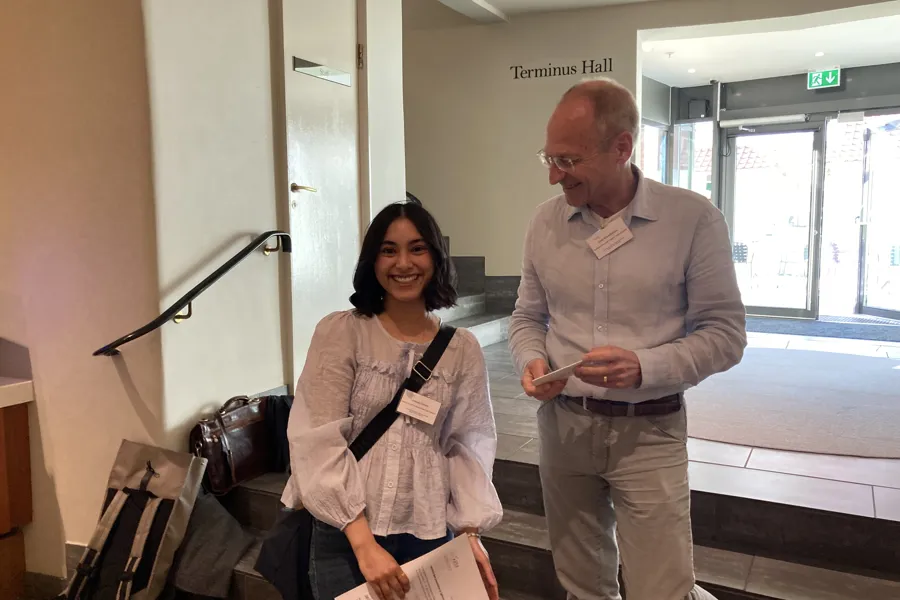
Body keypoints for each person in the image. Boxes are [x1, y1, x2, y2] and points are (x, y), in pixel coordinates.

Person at [508, 78, 747, 600]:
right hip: (563, 429)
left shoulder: (692, 220)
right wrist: (531, 359)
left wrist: (644, 366)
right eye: (548, 158)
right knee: (581, 586)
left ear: (622, 147)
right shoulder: (543, 224)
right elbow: (527, 316)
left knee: (661, 590)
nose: (553, 176)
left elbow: (726, 336)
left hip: (650, 431)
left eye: (567, 161)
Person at [282, 199, 502, 600]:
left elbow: (468, 443)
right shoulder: (342, 333)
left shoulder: (462, 348)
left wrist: (469, 533)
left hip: (428, 529)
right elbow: (317, 439)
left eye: (417, 248)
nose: (404, 263)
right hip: (346, 533)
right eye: (389, 250)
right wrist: (364, 544)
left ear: (435, 257)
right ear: (372, 260)